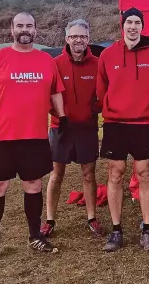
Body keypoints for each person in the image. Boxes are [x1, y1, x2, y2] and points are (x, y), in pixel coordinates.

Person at [0, 12, 65, 264]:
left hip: (33, 137)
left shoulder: (46, 60)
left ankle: (35, 236)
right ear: (11, 29)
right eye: (20, 25)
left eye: (29, 26)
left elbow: (55, 91)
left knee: (33, 185)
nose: (25, 29)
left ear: (36, 30)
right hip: (1, 137)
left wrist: (62, 117)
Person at [97, 7, 149, 252]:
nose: (133, 27)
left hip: (143, 123)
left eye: (137, 23)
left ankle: (147, 229)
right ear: (122, 25)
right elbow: (101, 89)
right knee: (116, 173)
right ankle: (116, 230)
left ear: (142, 26)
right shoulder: (108, 54)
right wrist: (114, 108)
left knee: (145, 173)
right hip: (115, 124)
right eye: (129, 22)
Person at [41, 19, 104, 239]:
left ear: (88, 39)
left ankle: (92, 217)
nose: (78, 40)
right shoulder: (55, 63)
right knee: (56, 175)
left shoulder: (98, 63)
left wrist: (96, 109)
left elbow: (104, 92)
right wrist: (57, 114)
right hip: (61, 128)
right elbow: (46, 93)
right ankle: (49, 220)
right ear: (67, 39)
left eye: (83, 36)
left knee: (89, 174)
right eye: (74, 36)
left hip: (87, 128)